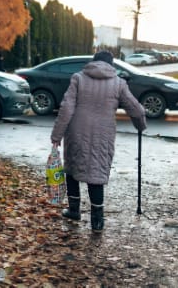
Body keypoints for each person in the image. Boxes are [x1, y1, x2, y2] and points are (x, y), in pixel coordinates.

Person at [50, 50, 147, 232]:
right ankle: (97, 221)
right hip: (104, 134)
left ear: (94, 62)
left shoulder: (78, 78)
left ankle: (74, 211)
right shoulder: (119, 83)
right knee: (96, 173)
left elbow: (66, 108)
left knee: (72, 169)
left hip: (76, 131)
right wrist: (140, 125)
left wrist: (56, 136)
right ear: (111, 66)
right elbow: (137, 110)